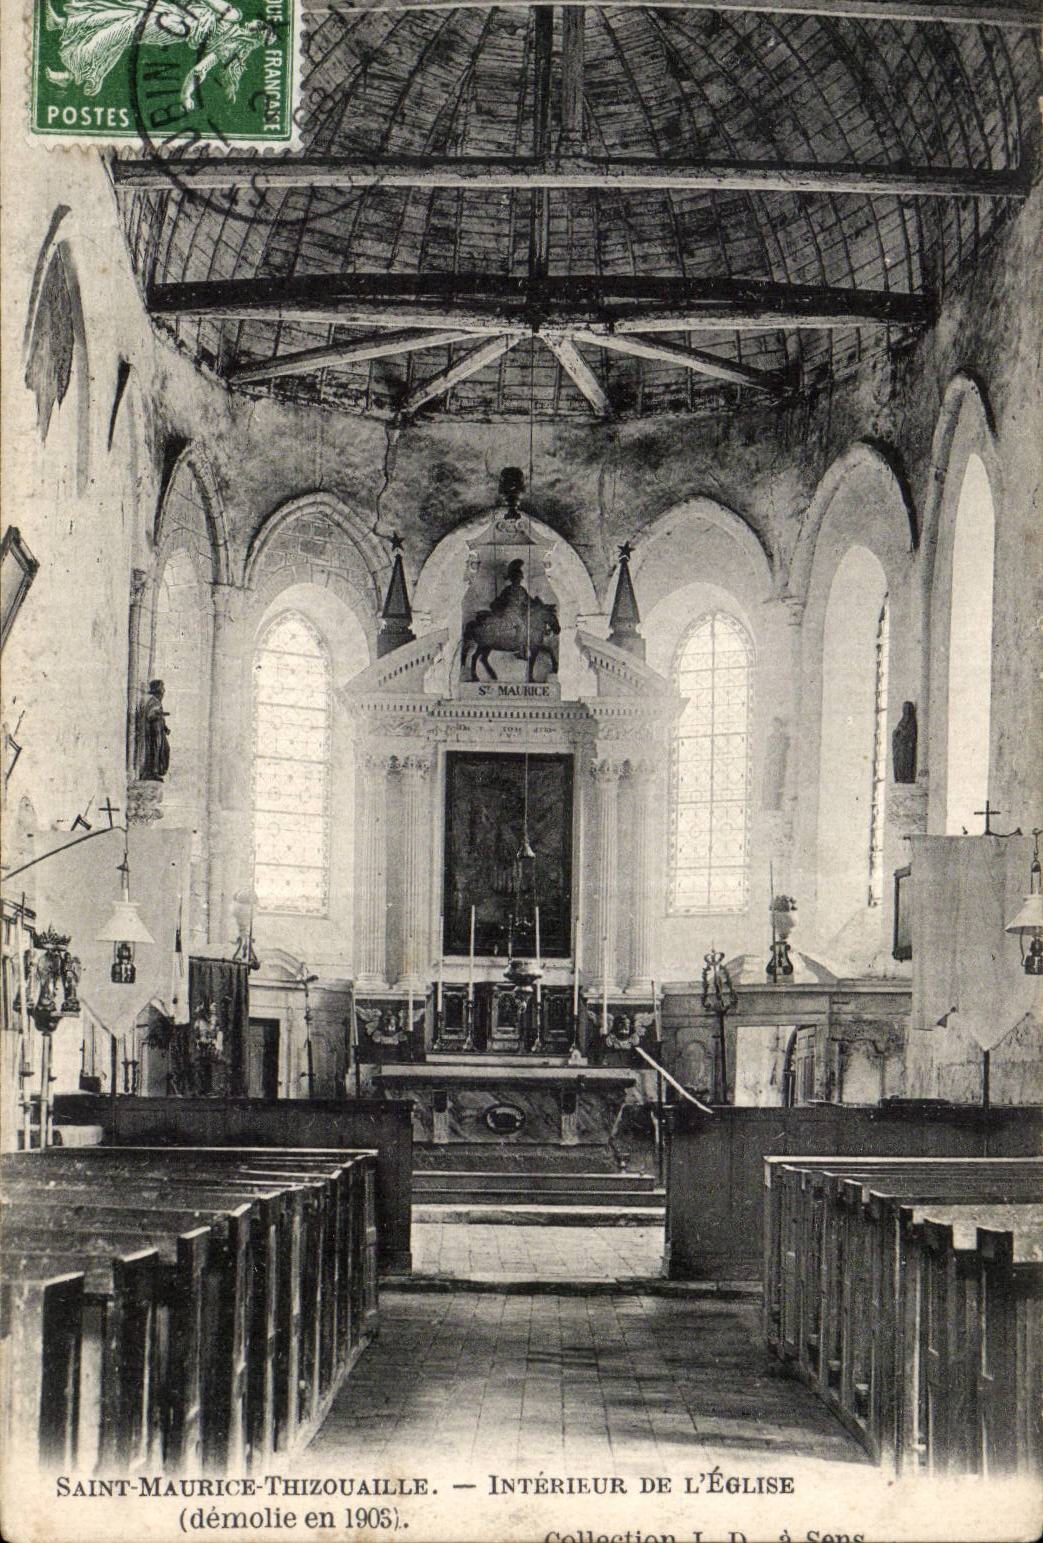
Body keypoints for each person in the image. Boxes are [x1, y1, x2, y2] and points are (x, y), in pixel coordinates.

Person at [44, 0, 275, 108]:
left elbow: (199, 70)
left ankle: (73, 71)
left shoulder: (232, 21)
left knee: (126, 27)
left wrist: (186, 95)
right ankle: (63, 24)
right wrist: (186, 96)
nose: (255, 21)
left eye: (259, 24)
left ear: (257, 30)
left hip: (174, 24)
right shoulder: (230, 44)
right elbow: (200, 70)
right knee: (121, 11)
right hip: (173, 12)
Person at [139, 679, 170, 782]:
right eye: (162, 689)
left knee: (163, 750)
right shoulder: (153, 701)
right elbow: (150, 715)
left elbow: (160, 717)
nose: (164, 691)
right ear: (157, 691)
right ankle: (153, 772)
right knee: (155, 751)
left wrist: (165, 728)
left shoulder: (156, 702)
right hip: (153, 731)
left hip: (159, 731)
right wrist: (159, 715)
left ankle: (158, 771)